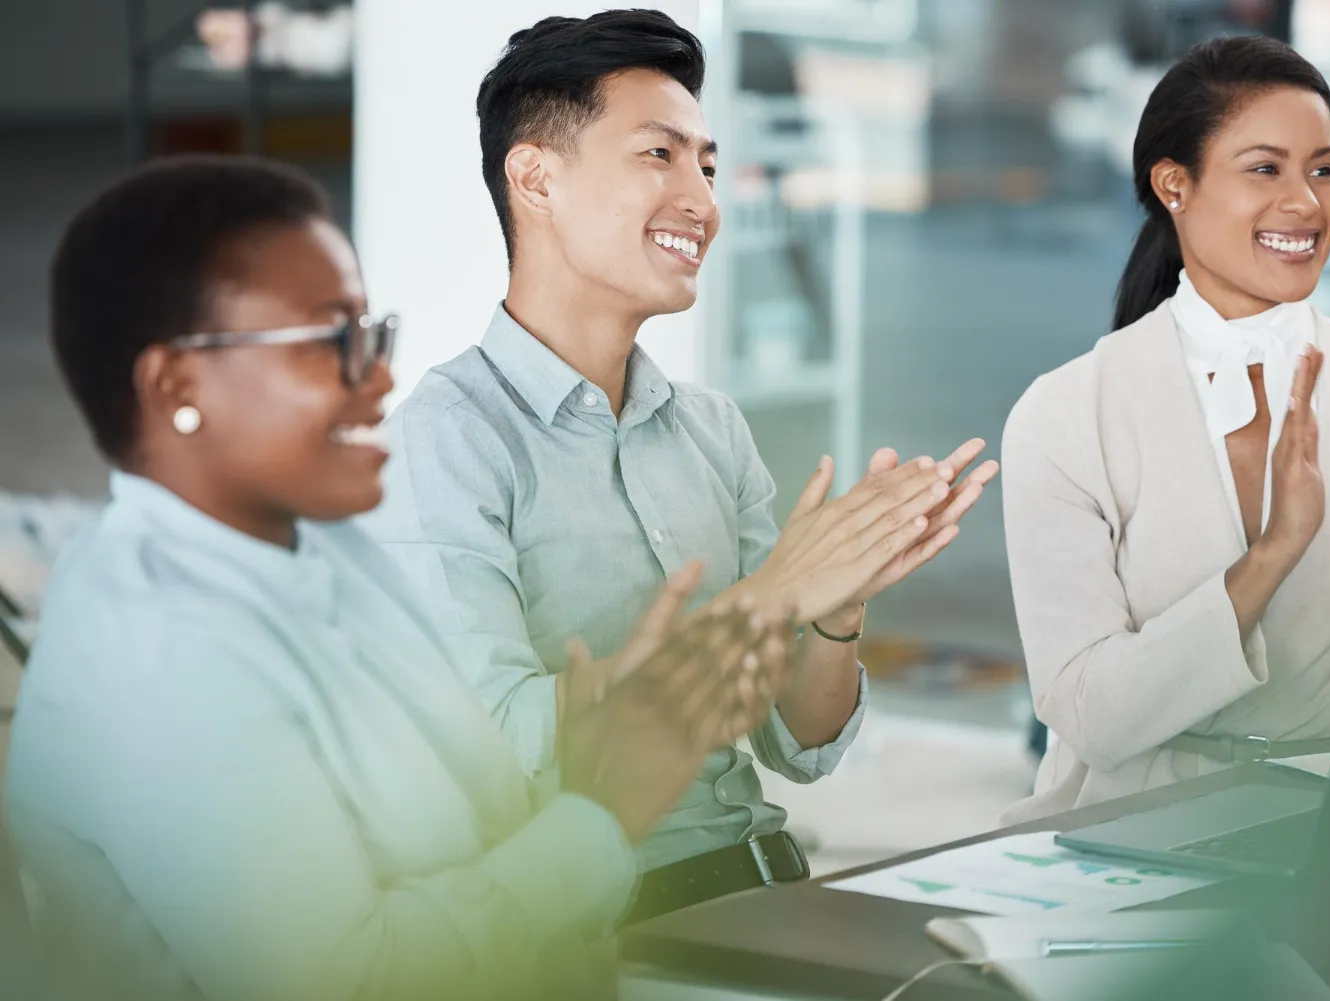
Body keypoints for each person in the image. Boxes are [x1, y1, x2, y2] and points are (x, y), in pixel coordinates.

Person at [2, 156, 795, 1001]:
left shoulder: (327, 546)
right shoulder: (155, 650)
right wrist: (603, 815)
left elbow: (475, 825)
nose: (379, 376)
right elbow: (349, 983)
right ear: (176, 385)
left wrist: (592, 734)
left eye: (371, 334)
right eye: (330, 343)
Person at [363, 9, 997, 921]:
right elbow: (495, 749)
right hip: (601, 922)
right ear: (535, 178)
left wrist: (835, 609)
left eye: (705, 165)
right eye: (658, 155)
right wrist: (771, 596)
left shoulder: (709, 427)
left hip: (763, 886)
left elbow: (798, 742)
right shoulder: (445, 441)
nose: (701, 201)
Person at [1000, 35, 1330, 824]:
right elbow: (1092, 714)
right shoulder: (1068, 412)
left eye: (1324, 170)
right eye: (1265, 169)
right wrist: (1272, 554)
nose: (1306, 203)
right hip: (1129, 823)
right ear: (1175, 184)